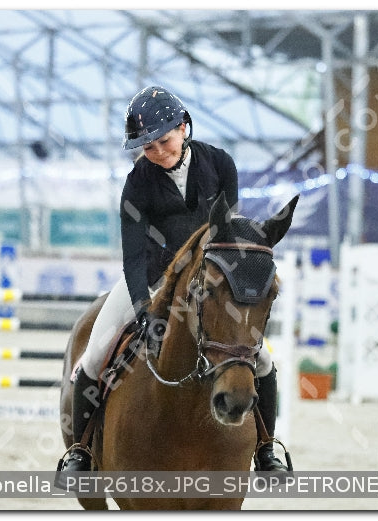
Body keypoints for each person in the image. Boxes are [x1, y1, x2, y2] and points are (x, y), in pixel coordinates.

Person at [58, 86, 289, 474]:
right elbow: (133, 256)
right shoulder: (137, 185)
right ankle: (81, 451)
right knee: (94, 356)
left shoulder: (220, 165)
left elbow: (226, 236)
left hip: (208, 276)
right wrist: (143, 308)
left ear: (183, 129)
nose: (158, 152)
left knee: (260, 360)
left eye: (163, 141)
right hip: (150, 277)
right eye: (147, 148)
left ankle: (266, 447)